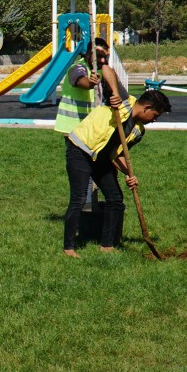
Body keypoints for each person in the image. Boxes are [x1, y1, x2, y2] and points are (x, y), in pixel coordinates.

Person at [63, 89, 172, 256]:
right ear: (147, 107)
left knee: (115, 199)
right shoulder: (123, 101)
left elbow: (117, 155)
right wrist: (114, 94)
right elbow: (107, 69)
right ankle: (69, 248)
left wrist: (129, 173)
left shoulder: (138, 131)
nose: (155, 120)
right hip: (81, 150)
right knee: (78, 198)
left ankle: (107, 245)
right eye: (155, 115)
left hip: (102, 159)